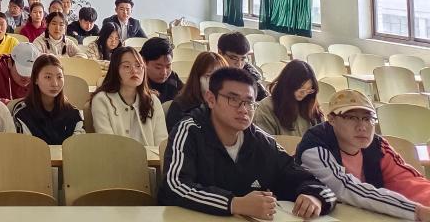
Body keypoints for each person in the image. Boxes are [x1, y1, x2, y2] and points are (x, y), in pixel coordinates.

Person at [160, 66, 335, 219]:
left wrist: (315, 197)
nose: (243, 109)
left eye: (249, 102)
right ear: (211, 99)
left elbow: (307, 179)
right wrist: (234, 204)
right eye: (233, 99)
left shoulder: (261, 141)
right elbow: (174, 186)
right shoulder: (189, 130)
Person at [298, 89, 430, 219]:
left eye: (367, 118)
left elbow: (408, 181)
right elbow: (345, 188)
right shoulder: (315, 145)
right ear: (331, 119)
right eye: (351, 117)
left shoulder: (378, 146)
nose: (362, 127)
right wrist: (416, 211)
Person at [91, 46, 167, 147]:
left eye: (138, 66)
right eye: (127, 66)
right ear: (115, 70)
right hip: (115, 156)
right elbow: (108, 144)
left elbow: (162, 144)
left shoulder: (152, 100)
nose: (134, 71)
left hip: (151, 157)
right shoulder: (102, 100)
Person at [13, 53, 85, 144]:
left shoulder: (73, 114)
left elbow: (77, 147)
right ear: (35, 79)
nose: (55, 83)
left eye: (59, 77)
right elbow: (26, 148)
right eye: (48, 77)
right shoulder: (22, 114)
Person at [253, 60, 323, 137]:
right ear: (287, 85)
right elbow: (263, 140)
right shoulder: (266, 107)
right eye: (300, 89)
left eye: (309, 90)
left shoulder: (311, 106)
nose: (304, 94)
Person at [166, 51, 228, 131]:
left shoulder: (230, 103)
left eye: (221, 77)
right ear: (197, 78)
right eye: (209, 76)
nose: (216, 82)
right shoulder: (181, 106)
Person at [217, 31, 270, 101]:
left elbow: (263, 101)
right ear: (220, 53)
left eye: (243, 59)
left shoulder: (252, 77)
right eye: (233, 58)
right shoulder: (209, 74)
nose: (239, 64)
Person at [142, 37, 182, 103]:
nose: (164, 73)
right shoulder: (137, 83)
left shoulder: (173, 77)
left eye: (168, 66)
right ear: (144, 62)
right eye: (158, 67)